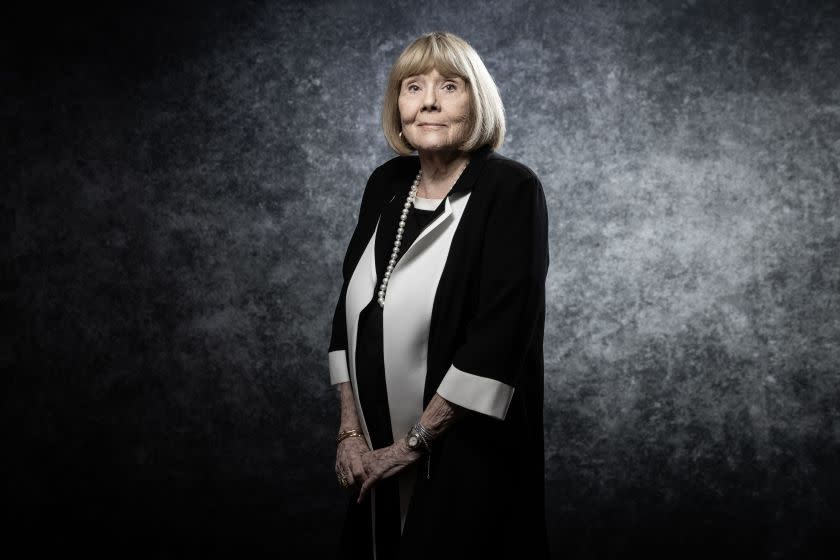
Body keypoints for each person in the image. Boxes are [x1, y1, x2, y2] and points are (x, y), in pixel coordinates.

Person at [328, 31, 549, 559]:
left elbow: (500, 338)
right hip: (374, 448)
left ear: (476, 102)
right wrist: (350, 433)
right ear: (398, 105)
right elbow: (350, 309)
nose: (428, 100)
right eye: (413, 86)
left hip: (467, 453)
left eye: (449, 86)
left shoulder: (510, 190)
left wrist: (410, 448)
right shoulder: (386, 184)